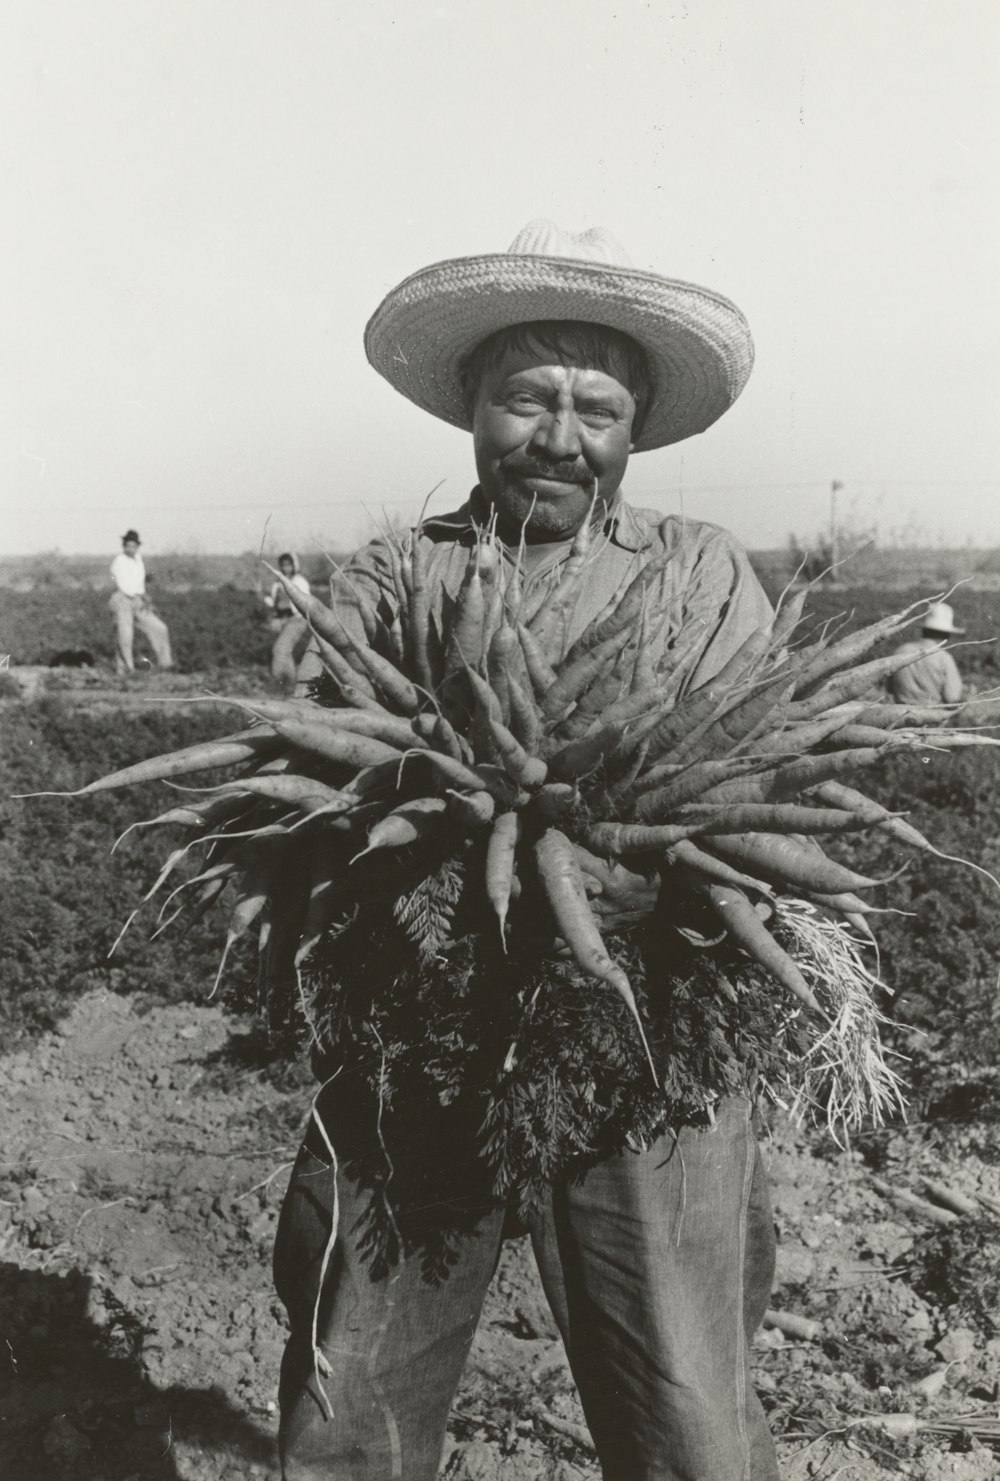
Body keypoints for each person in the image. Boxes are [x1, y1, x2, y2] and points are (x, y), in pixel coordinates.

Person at [275, 220, 779, 1481]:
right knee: (357, 1391)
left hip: (645, 1034)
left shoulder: (701, 573)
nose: (557, 435)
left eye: (594, 408)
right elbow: (324, 763)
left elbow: (746, 787)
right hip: (419, 1023)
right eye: (526, 399)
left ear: (635, 426)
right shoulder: (399, 572)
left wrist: (655, 869)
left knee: (684, 1407)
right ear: (472, 406)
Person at [108, 529, 173, 675]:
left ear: (137, 547)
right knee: (125, 635)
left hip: (137, 600)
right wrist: (136, 596)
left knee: (160, 628)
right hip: (122, 600)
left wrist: (145, 597)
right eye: (128, 546)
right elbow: (124, 585)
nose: (130, 549)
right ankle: (126, 669)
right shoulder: (119, 561)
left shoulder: (138, 559)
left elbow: (139, 583)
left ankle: (166, 664)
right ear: (124, 546)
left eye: (133, 546)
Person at [887, 600, 964, 705]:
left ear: (924, 630)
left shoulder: (900, 651)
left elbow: (889, 688)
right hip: (931, 716)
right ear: (946, 635)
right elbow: (952, 698)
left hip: (898, 716)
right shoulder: (944, 658)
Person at [263, 552, 312, 690]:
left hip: (297, 619)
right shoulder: (277, 583)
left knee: (280, 649)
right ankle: (290, 683)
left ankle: (281, 682)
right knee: (283, 650)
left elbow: (306, 602)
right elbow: (273, 602)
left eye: (288, 565)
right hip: (282, 618)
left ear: (294, 566)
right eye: (283, 565)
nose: (285, 568)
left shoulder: (299, 582)